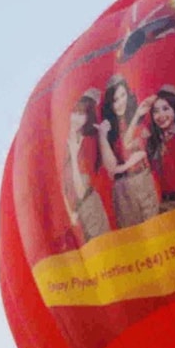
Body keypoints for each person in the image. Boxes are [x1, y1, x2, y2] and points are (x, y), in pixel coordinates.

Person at [97, 73, 161, 227]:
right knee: (133, 234)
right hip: (123, 187)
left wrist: (138, 115)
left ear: (128, 94)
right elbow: (112, 169)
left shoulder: (139, 117)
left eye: (122, 95)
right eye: (115, 100)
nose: (120, 103)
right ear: (109, 103)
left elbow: (147, 148)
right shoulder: (107, 129)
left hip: (144, 178)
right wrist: (127, 164)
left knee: (156, 227)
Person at [62, 89, 113, 242]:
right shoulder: (67, 143)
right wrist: (71, 212)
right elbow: (64, 185)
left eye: (81, 114)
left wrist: (73, 151)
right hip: (76, 212)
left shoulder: (87, 142)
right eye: (75, 113)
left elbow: (81, 190)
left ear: (88, 117)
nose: (76, 118)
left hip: (89, 205)